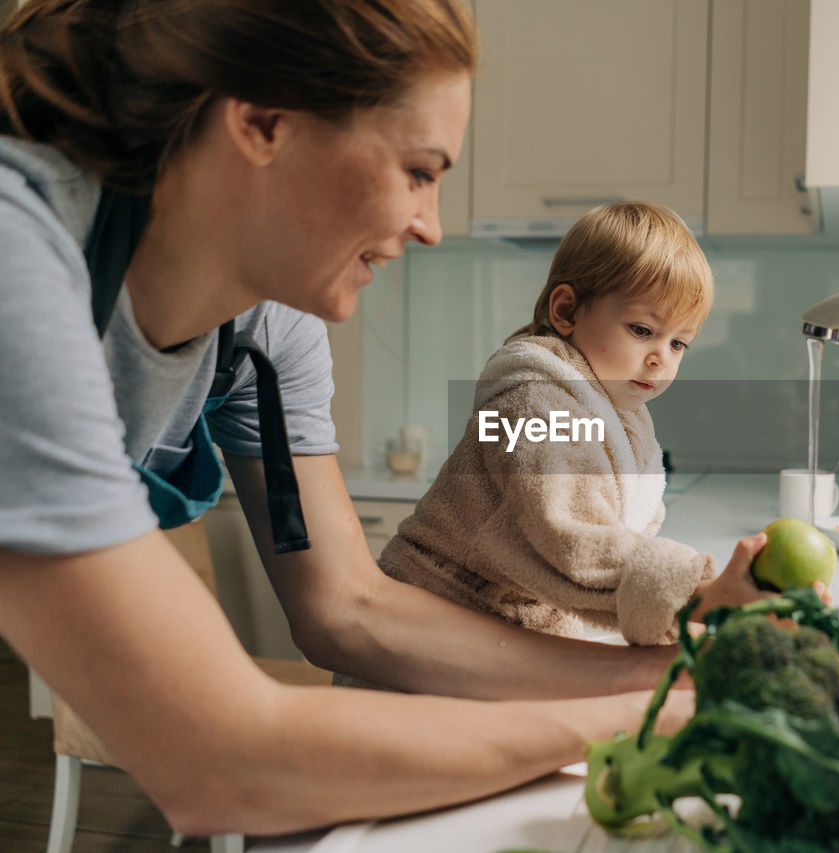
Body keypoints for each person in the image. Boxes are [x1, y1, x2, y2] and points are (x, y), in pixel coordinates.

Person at [0, 0, 771, 837]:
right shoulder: (18, 260)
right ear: (263, 121)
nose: (432, 226)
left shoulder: (267, 329)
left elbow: (346, 607)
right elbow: (217, 759)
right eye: (419, 170)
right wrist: (633, 717)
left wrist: (657, 677)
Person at [335, 203, 771, 692]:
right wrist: (699, 593)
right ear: (566, 311)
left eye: (679, 344)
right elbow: (570, 536)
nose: (660, 360)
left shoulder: (618, 415)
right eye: (643, 331)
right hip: (427, 632)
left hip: (507, 633)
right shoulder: (533, 406)